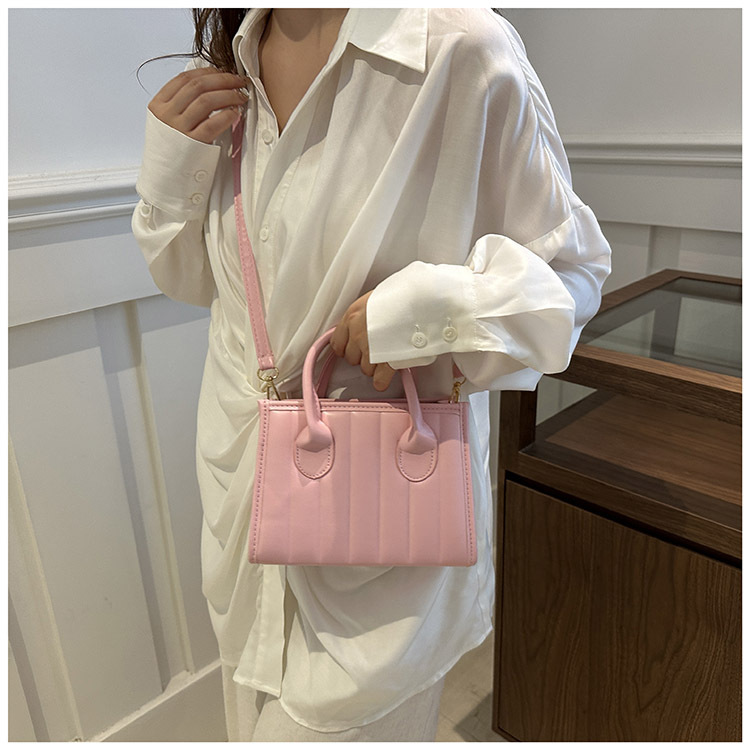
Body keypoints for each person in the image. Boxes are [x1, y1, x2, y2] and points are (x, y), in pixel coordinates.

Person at [132, 7, 612, 742]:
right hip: (244, 513)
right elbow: (204, 287)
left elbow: (574, 276)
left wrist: (427, 312)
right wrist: (173, 171)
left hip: (381, 541)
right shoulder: (233, 61)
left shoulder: (459, 50)